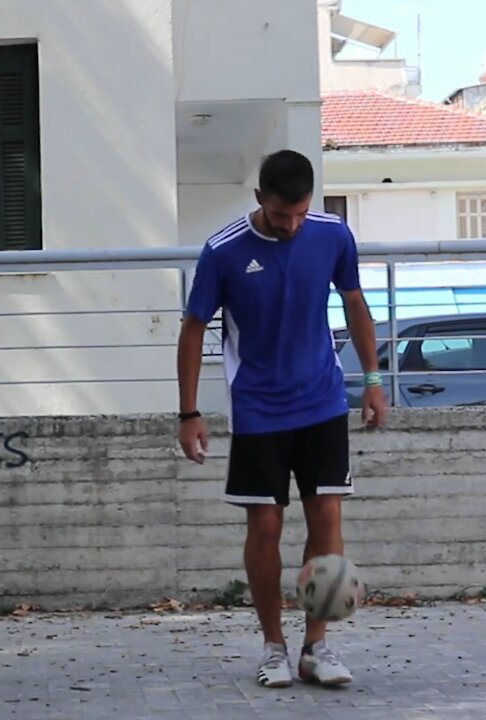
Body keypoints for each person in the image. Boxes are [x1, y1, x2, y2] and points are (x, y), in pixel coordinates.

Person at [175, 149, 387, 688]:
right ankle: (274, 647)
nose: (291, 225)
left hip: (321, 402)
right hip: (258, 407)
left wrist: (374, 379)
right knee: (265, 525)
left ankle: (317, 646)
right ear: (259, 200)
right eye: (279, 215)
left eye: (299, 213)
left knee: (327, 519)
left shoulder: (333, 236)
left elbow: (355, 303)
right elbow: (194, 328)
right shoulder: (223, 251)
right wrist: (189, 412)